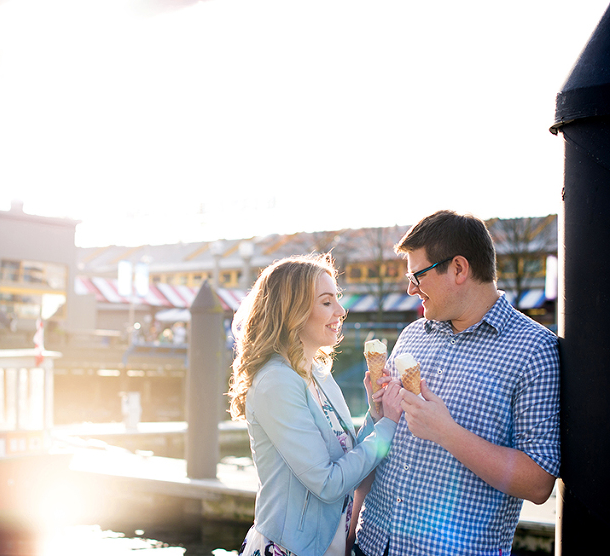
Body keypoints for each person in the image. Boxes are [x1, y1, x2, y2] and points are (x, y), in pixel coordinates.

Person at [354, 210, 560, 556]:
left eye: (417, 276)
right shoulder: (412, 336)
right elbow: (379, 446)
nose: (410, 289)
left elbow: (539, 482)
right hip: (371, 545)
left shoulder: (534, 350)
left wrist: (447, 432)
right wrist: (377, 414)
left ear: (459, 268)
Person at [228, 254, 403, 556]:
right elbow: (327, 482)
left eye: (337, 299)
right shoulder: (276, 382)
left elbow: (348, 462)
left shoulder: (316, 372)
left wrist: (376, 415)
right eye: (326, 302)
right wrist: (389, 427)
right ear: (292, 310)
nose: (341, 311)